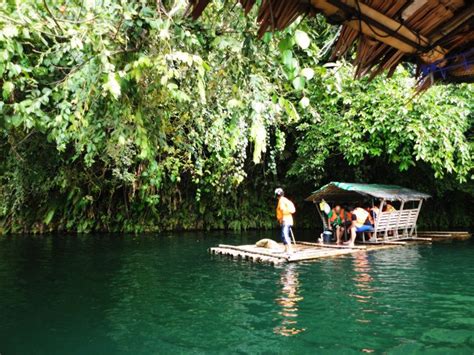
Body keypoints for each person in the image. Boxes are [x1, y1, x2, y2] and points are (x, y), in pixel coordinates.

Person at [275, 188, 296, 255]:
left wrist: (283, 219)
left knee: (284, 235)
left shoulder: (282, 200)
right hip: (287, 220)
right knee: (284, 235)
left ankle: (290, 250)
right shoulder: (284, 200)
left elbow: (283, 209)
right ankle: (286, 249)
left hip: (286, 220)